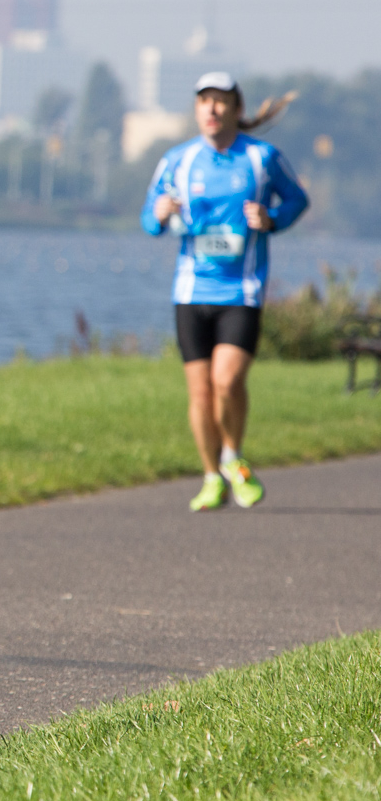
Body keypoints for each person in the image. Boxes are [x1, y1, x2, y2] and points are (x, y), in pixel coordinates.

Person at [141, 72, 307, 511]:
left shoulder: (262, 158)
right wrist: (159, 214)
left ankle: (233, 456)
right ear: (196, 110)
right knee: (199, 393)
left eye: (220, 102)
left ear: (236, 109)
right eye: (204, 102)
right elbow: (148, 218)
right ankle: (211, 475)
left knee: (227, 381)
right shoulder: (178, 160)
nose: (211, 110)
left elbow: (296, 200)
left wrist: (272, 218)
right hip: (192, 291)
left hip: (242, 289)